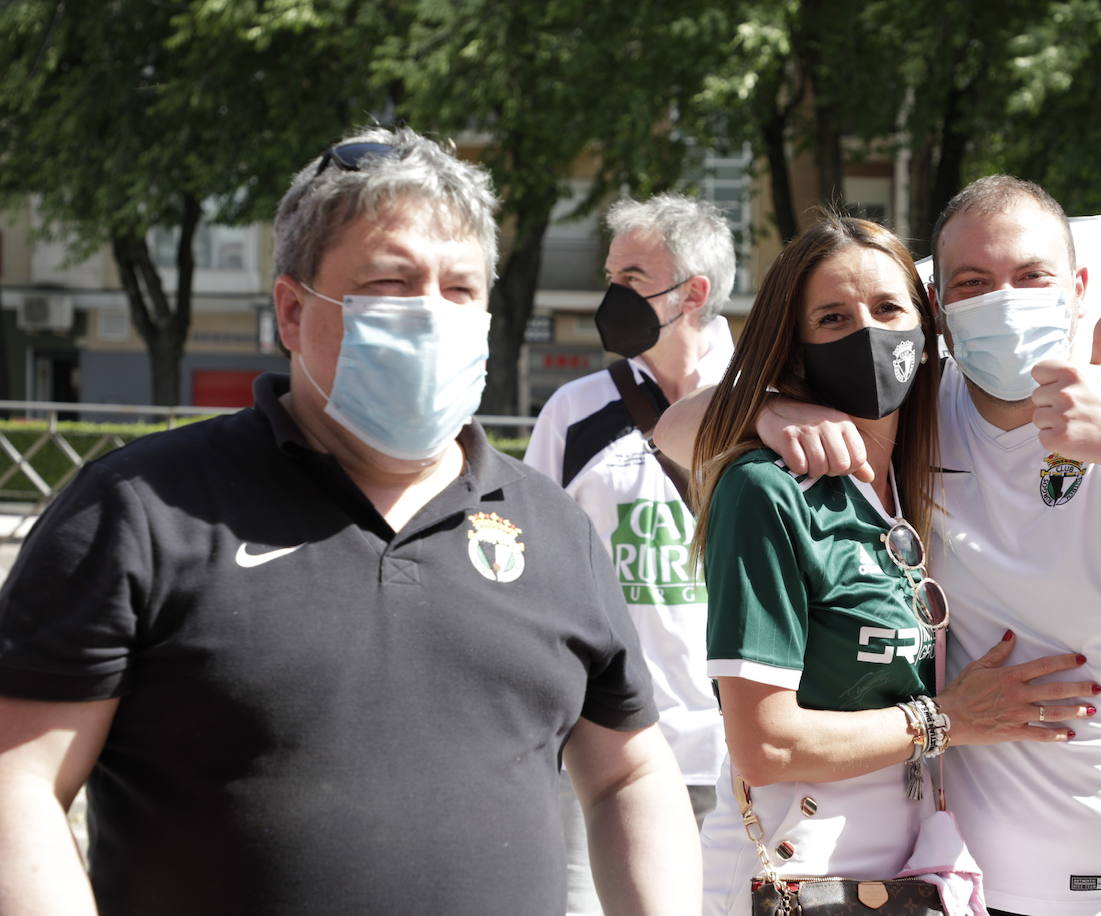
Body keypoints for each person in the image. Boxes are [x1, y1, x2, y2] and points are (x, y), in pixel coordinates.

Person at [0, 126, 700, 916]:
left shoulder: (554, 528)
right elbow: (16, 782)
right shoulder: (138, 510)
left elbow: (629, 774)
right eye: (393, 284)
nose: (433, 315)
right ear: (293, 312)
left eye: (461, 289)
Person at [658, 176, 1101, 915]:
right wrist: (772, 411)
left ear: (1079, 285)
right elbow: (676, 432)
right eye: (974, 282)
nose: (1005, 299)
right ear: (943, 307)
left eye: (1031, 277)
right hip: (966, 885)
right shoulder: (921, 407)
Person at [688, 214, 1100, 916]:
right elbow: (766, 747)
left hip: (907, 877)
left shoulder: (916, 484)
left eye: (888, 309)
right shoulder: (768, 490)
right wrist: (949, 720)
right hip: (794, 876)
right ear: (794, 347)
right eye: (832, 318)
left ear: (926, 325)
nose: (868, 335)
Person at [524, 193, 734, 913]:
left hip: (745, 758)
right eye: (610, 275)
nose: (612, 295)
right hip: (607, 751)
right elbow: (532, 570)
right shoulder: (574, 412)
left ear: (693, 293)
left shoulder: (766, 401)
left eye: (633, 277)